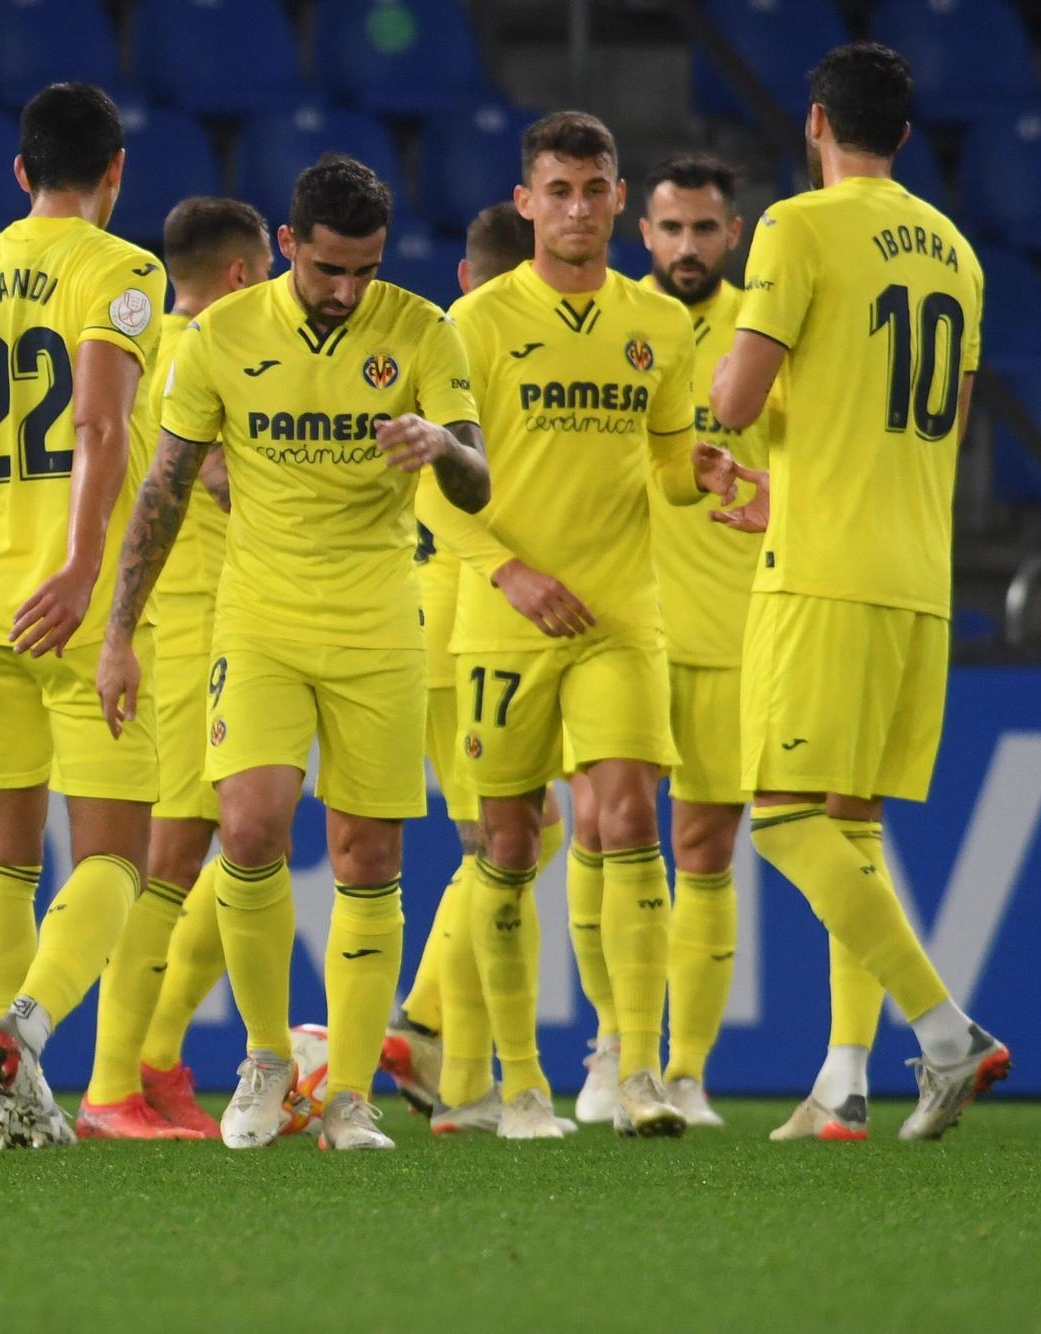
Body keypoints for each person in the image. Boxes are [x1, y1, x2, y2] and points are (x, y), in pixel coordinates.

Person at [98, 154, 491, 1151]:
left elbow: (479, 477)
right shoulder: (224, 335)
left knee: (369, 853)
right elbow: (164, 488)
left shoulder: (420, 330)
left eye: (363, 270)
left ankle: (348, 1093)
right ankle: (268, 1058)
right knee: (249, 825)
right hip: (259, 619)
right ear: (286, 245)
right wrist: (116, 634)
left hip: (375, 621)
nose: (346, 290)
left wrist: (440, 449)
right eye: (327, 269)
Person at [417, 112, 744, 1140]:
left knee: (625, 820)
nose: (573, 207)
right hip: (505, 622)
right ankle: (519, 1086)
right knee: (506, 846)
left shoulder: (658, 325)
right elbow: (431, 492)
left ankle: (638, 1070)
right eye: (553, 191)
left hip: (619, 615)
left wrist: (696, 476)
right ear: (525, 204)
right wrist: (508, 573)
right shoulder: (468, 327)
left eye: (591, 188)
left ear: (615, 198)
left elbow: (661, 462)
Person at [710, 41, 1008, 1142]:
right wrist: (787, 488)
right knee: (850, 821)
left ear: (813, 122)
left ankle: (942, 1032)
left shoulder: (796, 225)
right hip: (913, 576)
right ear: (905, 135)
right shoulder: (957, 252)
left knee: (784, 819)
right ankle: (840, 1079)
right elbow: (938, 424)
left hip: (823, 575)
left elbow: (736, 399)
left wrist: (726, 413)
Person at [0, 83, 178, 1146]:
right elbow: (101, 425)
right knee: (116, 852)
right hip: (81, 603)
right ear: (114, 173)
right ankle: (25, 1024)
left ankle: (19, 1103)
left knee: (1, 851)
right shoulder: (121, 268)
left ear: (17, 173)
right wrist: (78, 568)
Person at [383, 200, 572, 1130]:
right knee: (506, 844)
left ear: (467, 273)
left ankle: (436, 1053)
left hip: (432, 621)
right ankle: (444, 1058)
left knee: (519, 837)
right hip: (468, 624)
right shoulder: (481, 346)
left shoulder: (452, 338)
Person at [89, 197, 274, 1138]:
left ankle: (155, 1059)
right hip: (188, 622)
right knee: (171, 857)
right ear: (243, 275)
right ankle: (111, 1085)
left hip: (212, 619)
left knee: (221, 850)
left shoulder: (147, 339)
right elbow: (208, 475)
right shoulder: (206, 353)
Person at [632, 152, 773, 1129]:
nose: (687, 246)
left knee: (701, 848)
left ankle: (682, 1068)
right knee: (603, 838)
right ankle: (618, 1049)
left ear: (731, 235)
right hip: (616, 622)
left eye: (704, 229)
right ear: (643, 233)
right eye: (670, 228)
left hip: (727, 627)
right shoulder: (611, 323)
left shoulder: (763, 332)